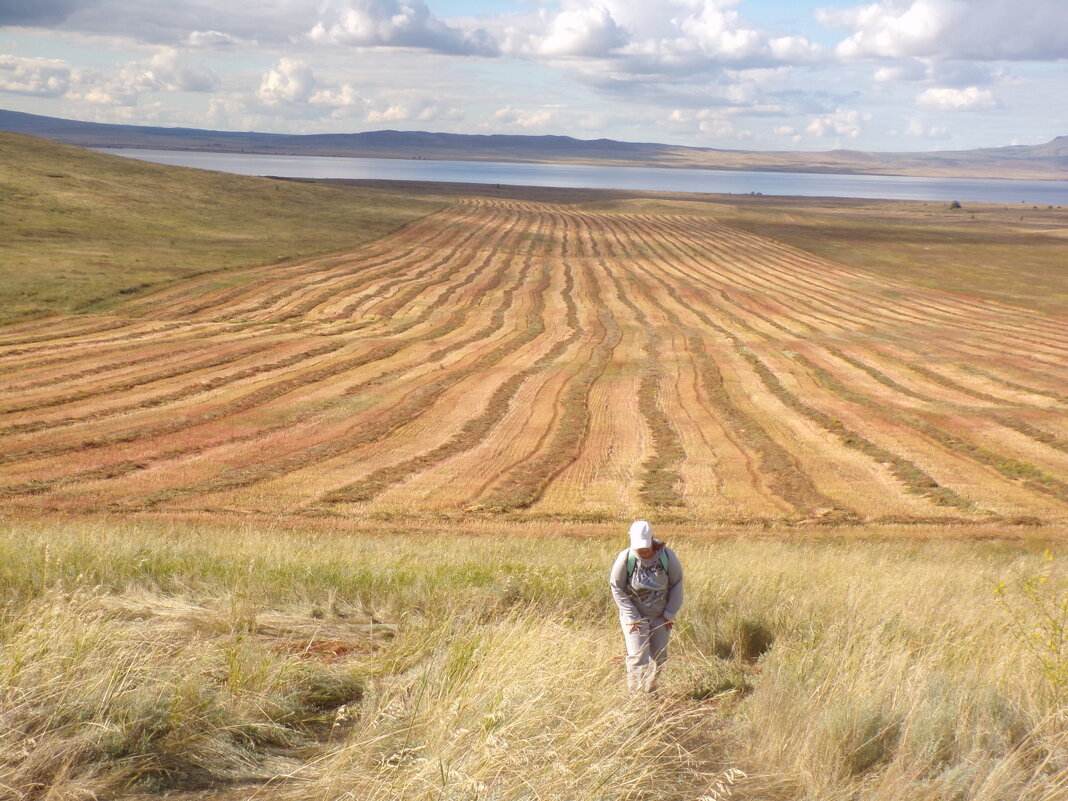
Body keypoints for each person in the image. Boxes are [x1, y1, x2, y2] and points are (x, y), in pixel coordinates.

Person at [609, 520, 684, 693]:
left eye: (646, 546)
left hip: (661, 616)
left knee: (659, 657)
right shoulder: (626, 558)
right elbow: (616, 587)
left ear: (651, 540)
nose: (643, 550)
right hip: (634, 617)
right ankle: (635, 696)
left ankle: (651, 691)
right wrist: (632, 616)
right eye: (639, 547)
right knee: (637, 657)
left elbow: (677, 583)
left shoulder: (667, 557)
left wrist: (669, 614)